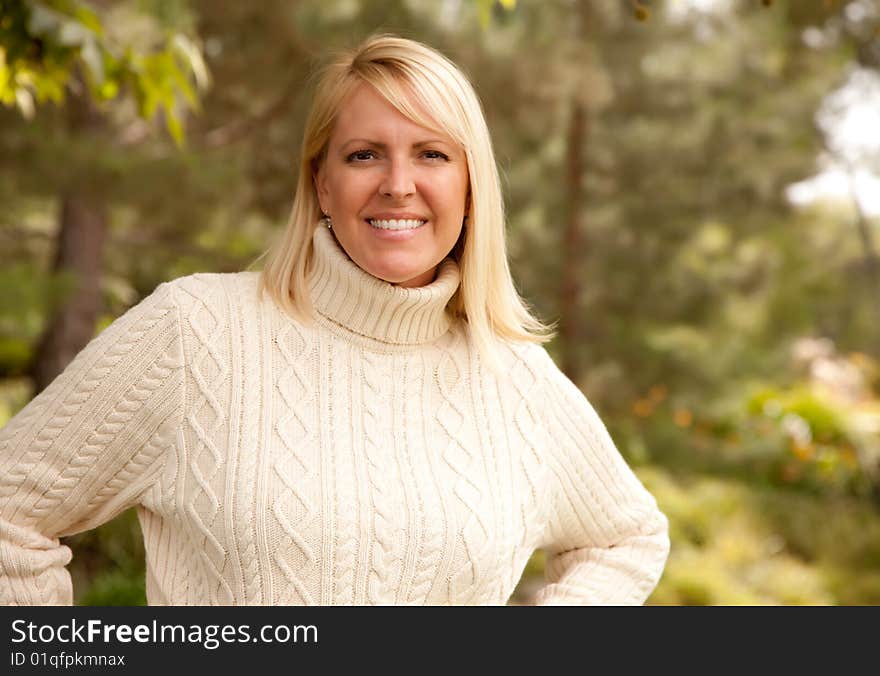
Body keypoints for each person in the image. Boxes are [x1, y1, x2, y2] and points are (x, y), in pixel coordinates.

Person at [0, 34, 669, 606]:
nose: (398, 184)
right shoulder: (195, 331)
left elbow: (627, 537)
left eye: (432, 154)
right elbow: (12, 510)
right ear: (322, 184)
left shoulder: (512, 374)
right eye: (364, 154)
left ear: (471, 187)